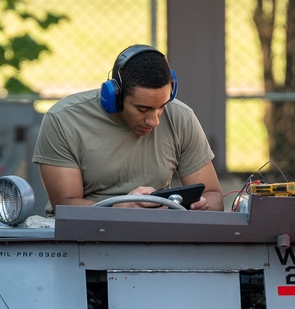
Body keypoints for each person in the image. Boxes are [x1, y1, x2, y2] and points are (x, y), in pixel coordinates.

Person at [33, 44, 223, 213]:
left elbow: (214, 196)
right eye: (142, 109)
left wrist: (201, 205)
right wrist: (120, 208)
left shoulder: (181, 117)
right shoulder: (63, 120)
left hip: (157, 237)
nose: (154, 120)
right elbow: (65, 206)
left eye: (162, 107)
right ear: (114, 97)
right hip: (84, 238)